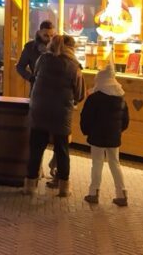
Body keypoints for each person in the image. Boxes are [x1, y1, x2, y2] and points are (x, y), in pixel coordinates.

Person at [23, 34, 84, 197]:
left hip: (39, 109)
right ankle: (64, 187)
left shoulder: (43, 59)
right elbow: (79, 93)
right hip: (61, 112)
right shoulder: (74, 66)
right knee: (62, 150)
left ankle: (30, 185)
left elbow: (35, 77)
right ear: (71, 48)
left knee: (36, 148)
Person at [80, 64, 130, 206]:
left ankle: (93, 192)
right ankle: (122, 193)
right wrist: (118, 131)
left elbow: (86, 117)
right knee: (115, 163)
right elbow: (125, 120)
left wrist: (86, 131)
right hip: (114, 136)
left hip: (97, 135)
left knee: (97, 163)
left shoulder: (95, 98)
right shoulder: (121, 97)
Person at [16, 20, 55, 87]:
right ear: (39, 33)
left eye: (52, 36)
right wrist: (31, 78)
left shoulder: (57, 47)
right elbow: (20, 67)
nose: (49, 39)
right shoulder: (30, 47)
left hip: (55, 87)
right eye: (46, 35)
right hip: (37, 87)